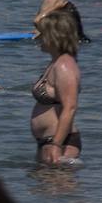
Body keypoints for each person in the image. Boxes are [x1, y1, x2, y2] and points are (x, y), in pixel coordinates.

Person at [30, 11, 82, 165]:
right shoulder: (55, 63)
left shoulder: (64, 66)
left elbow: (70, 107)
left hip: (60, 142)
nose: (37, 38)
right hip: (47, 141)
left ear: (55, 36)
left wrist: (56, 145)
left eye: (42, 34)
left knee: (56, 188)